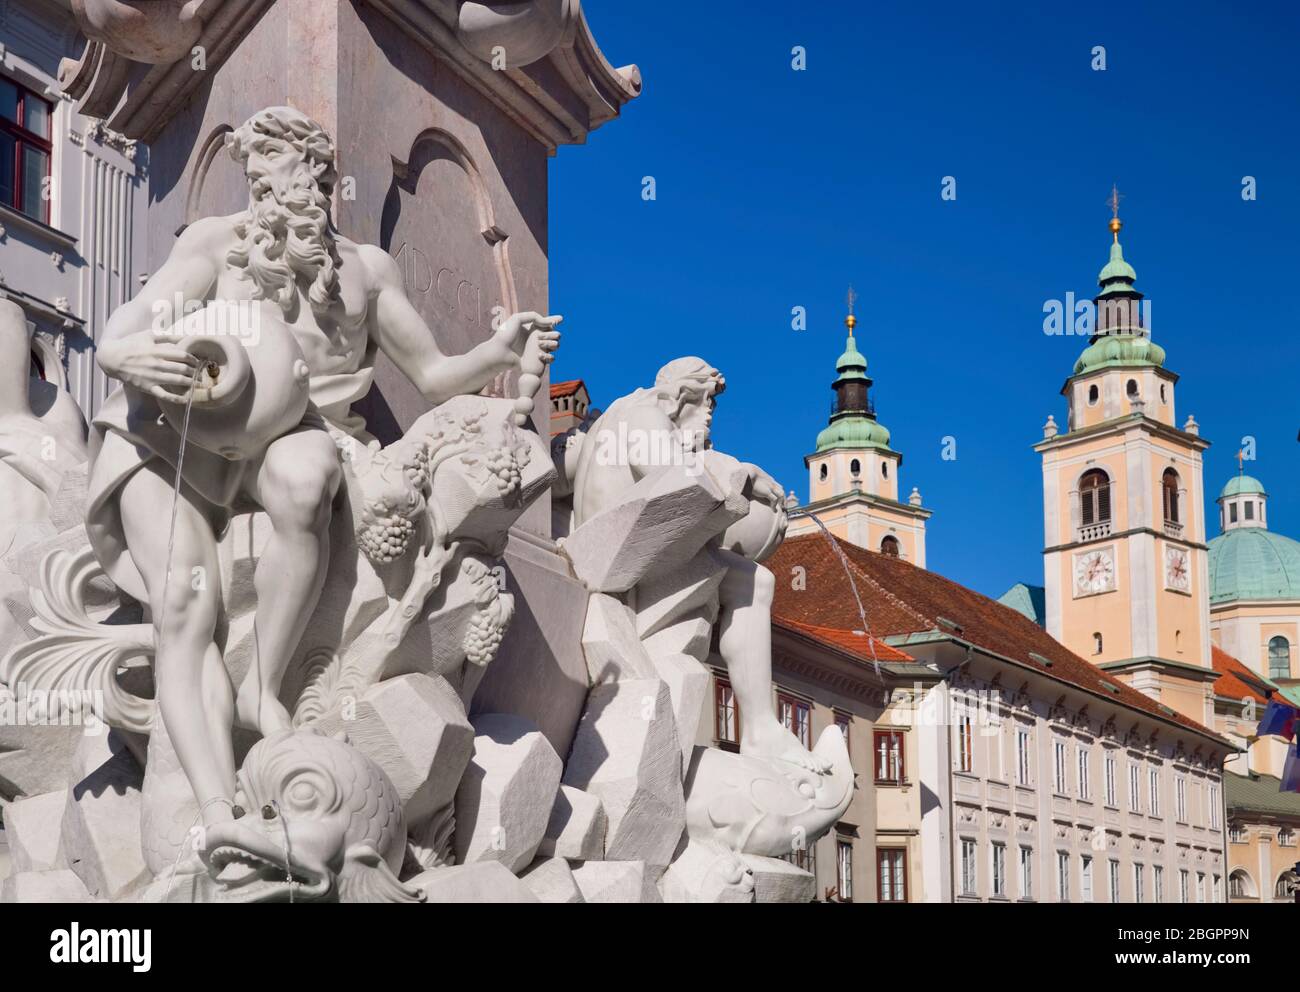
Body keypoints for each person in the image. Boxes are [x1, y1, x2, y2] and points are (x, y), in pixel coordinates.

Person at [88, 106, 560, 830]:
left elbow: (432, 373)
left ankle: (264, 687)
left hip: (288, 436)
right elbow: (128, 326)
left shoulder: (366, 272)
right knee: (186, 605)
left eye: (284, 176)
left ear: (321, 175)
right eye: (258, 182)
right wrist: (121, 353)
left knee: (308, 479)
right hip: (171, 438)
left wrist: (499, 352)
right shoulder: (217, 244)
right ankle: (219, 815)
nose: (268, 198)